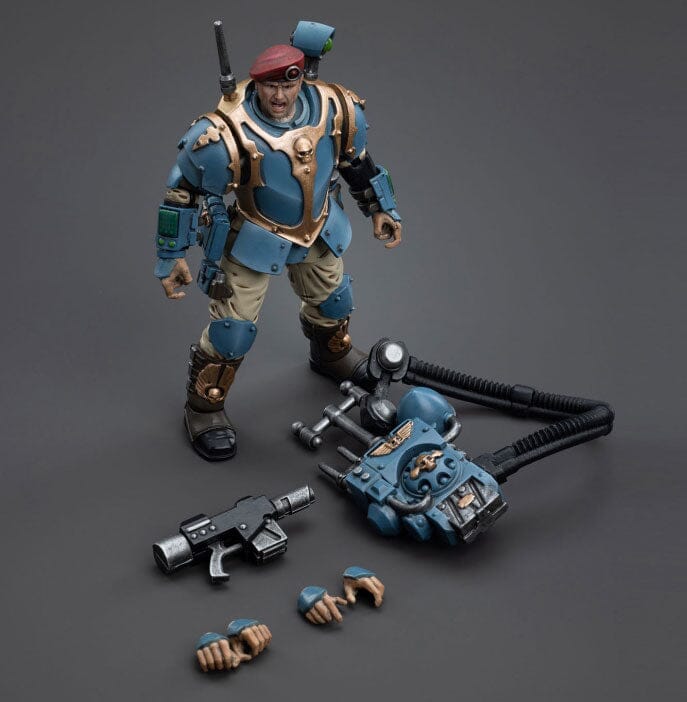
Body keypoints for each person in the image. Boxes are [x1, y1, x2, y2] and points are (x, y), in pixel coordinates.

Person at [154, 31, 402, 461]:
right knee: (232, 332)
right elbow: (182, 191)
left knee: (335, 302)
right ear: (256, 84)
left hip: (319, 227)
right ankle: (204, 408)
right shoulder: (225, 131)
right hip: (254, 237)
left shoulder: (336, 108)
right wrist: (171, 256)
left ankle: (331, 355)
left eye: (288, 85)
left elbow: (356, 162)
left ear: (302, 78)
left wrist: (380, 208)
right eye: (270, 86)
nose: (279, 95)